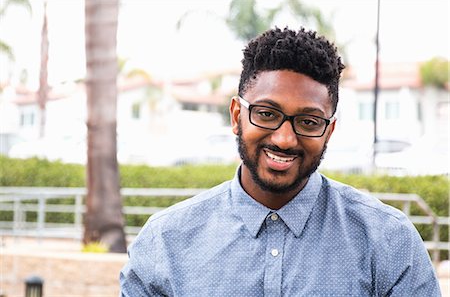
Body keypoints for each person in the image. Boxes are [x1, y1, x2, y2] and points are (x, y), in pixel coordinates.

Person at [120, 27, 441, 296]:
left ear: (329, 131)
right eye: (267, 114)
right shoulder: (165, 243)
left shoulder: (387, 241)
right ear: (236, 115)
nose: (285, 139)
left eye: (309, 121)